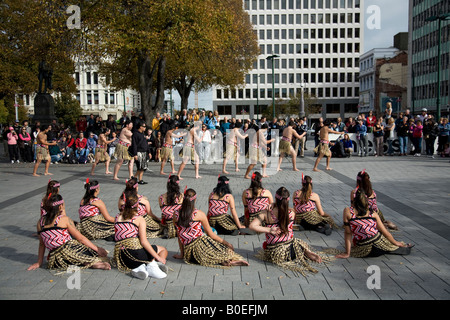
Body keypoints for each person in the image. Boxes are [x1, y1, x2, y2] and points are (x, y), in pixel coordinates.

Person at [250, 187, 330, 276]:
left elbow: (252, 226)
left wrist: (269, 229)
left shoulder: (267, 213)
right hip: (290, 248)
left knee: (290, 244)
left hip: (276, 253)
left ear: (276, 198)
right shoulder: (292, 212)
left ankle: (303, 252)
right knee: (296, 242)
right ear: (287, 200)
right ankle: (304, 251)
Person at [28, 194, 111, 271]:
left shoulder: (40, 222)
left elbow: (42, 244)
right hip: (69, 250)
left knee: (72, 258)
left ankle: (88, 263)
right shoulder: (63, 219)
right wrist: (97, 249)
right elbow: (81, 238)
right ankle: (94, 263)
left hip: (56, 259)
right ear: (60, 206)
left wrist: (39, 262)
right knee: (88, 252)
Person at [173, 188, 249, 267]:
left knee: (206, 257)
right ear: (194, 200)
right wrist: (227, 243)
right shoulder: (198, 214)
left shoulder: (176, 214)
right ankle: (228, 261)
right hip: (200, 244)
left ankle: (225, 262)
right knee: (221, 250)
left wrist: (182, 254)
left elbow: (179, 235)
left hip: (189, 252)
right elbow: (210, 234)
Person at [336, 188, 412, 259]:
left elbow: (348, 233)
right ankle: (393, 248)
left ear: (353, 200)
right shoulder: (373, 213)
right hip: (379, 246)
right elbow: (385, 232)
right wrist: (396, 243)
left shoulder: (348, 211)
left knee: (356, 241)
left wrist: (347, 253)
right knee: (379, 234)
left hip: (363, 249)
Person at [113, 193, 168, 280]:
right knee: (163, 249)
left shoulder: (117, 216)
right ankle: (153, 264)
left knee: (140, 252)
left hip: (121, 256)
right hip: (135, 254)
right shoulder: (138, 219)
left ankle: (141, 268)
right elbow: (143, 242)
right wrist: (158, 257)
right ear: (137, 205)